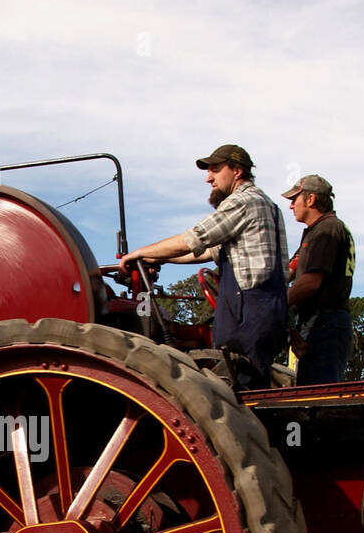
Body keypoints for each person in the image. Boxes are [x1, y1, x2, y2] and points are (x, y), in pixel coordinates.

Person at [119, 144, 289, 388]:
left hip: (248, 313)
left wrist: (138, 253)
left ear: (237, 171)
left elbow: (194, 238)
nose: (209, 178)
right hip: (268, 309)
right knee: (253, 384)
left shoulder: (243, 202)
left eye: (216, 170)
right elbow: (207, 251)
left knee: (238, 388)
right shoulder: (269, 206)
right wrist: (158, 258)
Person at [281, 174, 354, 384]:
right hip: (325, 323)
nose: (291, 206)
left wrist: (277, 304)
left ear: (311, 199)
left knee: (317, 397)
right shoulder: (319, 231)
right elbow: (290, 270)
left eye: (295, 199)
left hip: (325, 323)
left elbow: (312, 281)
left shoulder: (326, 230)